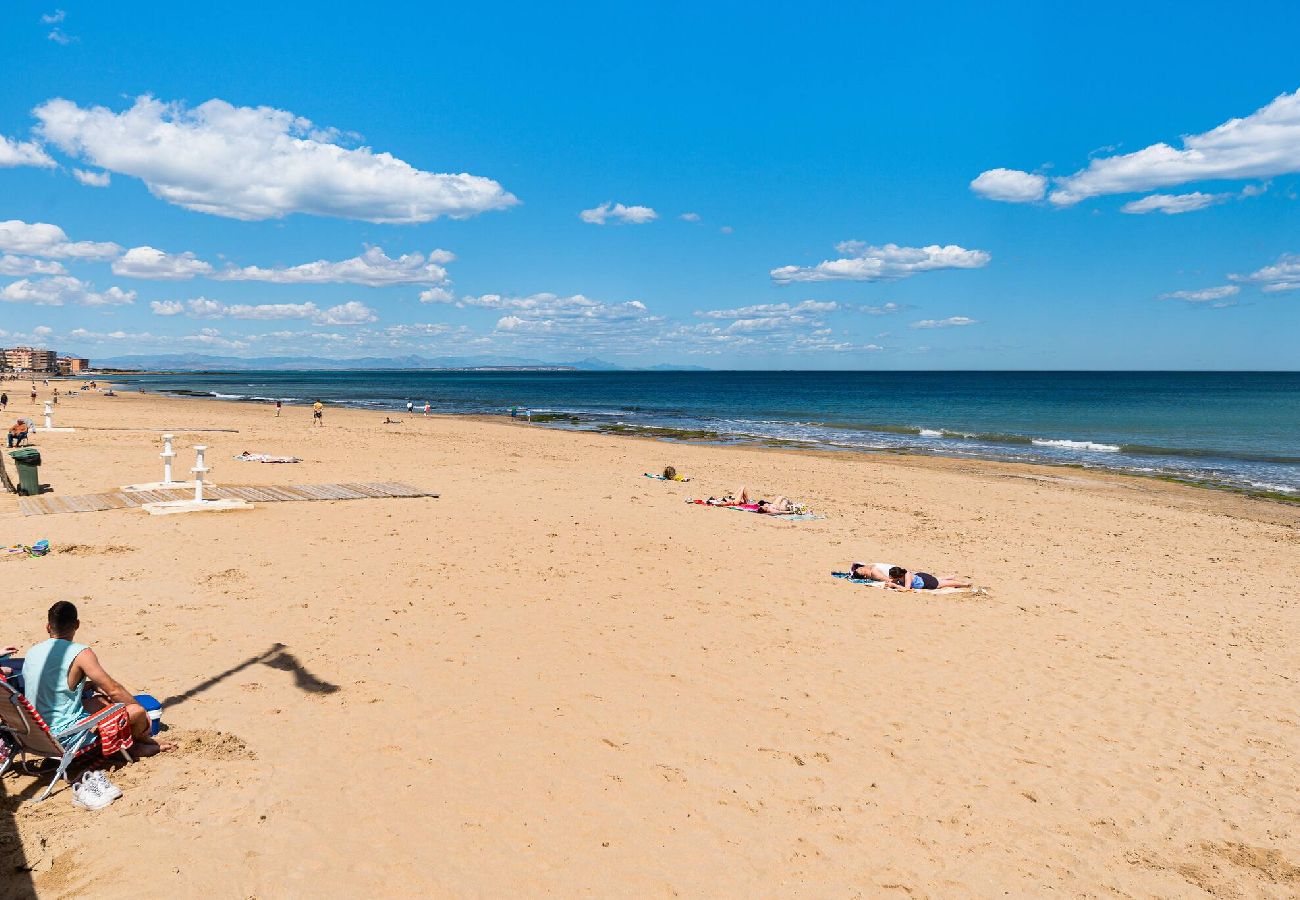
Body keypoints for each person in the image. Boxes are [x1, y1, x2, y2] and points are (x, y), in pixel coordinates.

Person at [23, 601, 173, 758]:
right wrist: (143, 716)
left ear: (48, 627)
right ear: (77, 625)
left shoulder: (32, 652)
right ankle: (136, 746)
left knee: (99, 701)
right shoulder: (80, 653)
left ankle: (133, 742)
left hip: (37, 734)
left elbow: (51, 686)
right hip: (65, 738)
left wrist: (87, 685)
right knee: (137, 711)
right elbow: (114, 690)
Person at [885, 566, 972, 592]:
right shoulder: (899, 576)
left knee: (945, 584)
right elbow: (893, 581)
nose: (890, 578)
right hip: (920, 578)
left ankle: (965, 584)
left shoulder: (906, 575)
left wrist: (894, 585)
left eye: (892, 576)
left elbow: (906, 589)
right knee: (939, 580)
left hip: (927, 582)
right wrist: (891, 583)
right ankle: (949, 577)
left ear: (898, 575)